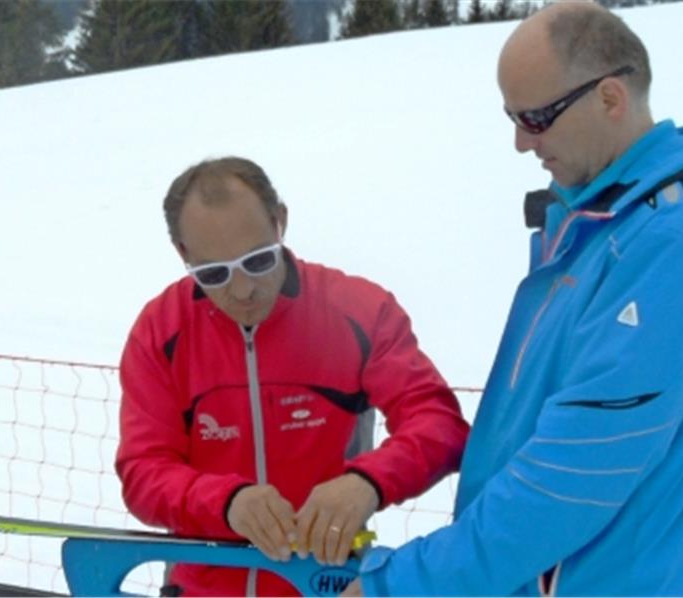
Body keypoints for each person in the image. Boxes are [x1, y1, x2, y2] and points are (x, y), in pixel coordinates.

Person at [348, 3, 683, 595]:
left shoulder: (672, 240)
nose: (518, 142)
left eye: (536, 117)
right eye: (511, 116)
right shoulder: (596, 219)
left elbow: (574, 474)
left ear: (610, 98)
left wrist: (403, 585)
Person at [115, 156, 471, 596]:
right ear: (183, 253)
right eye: (214, 274)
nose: (242, 290)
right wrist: (227, 503)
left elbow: (438, 424)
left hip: (324, 585)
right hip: (200, 586)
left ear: (279, 221)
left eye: (258, 261)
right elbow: (143, 472)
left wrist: (367, 482)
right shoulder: (161, 331)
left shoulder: (359, 310)